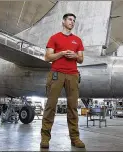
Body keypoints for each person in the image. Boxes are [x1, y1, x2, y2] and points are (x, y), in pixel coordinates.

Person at [40, 13, 85, 149]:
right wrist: (61, 53)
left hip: (72, 75)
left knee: (72, 108)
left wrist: (75, 55)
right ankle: (45, 138)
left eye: (74, 21)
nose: (72, 22)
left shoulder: (77, 40)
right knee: (51, 106)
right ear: (63, 22)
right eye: (70, 20)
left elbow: (81, 59)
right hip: (56, 74)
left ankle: (75, 138)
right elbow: (47, 57)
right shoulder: (54, 38)